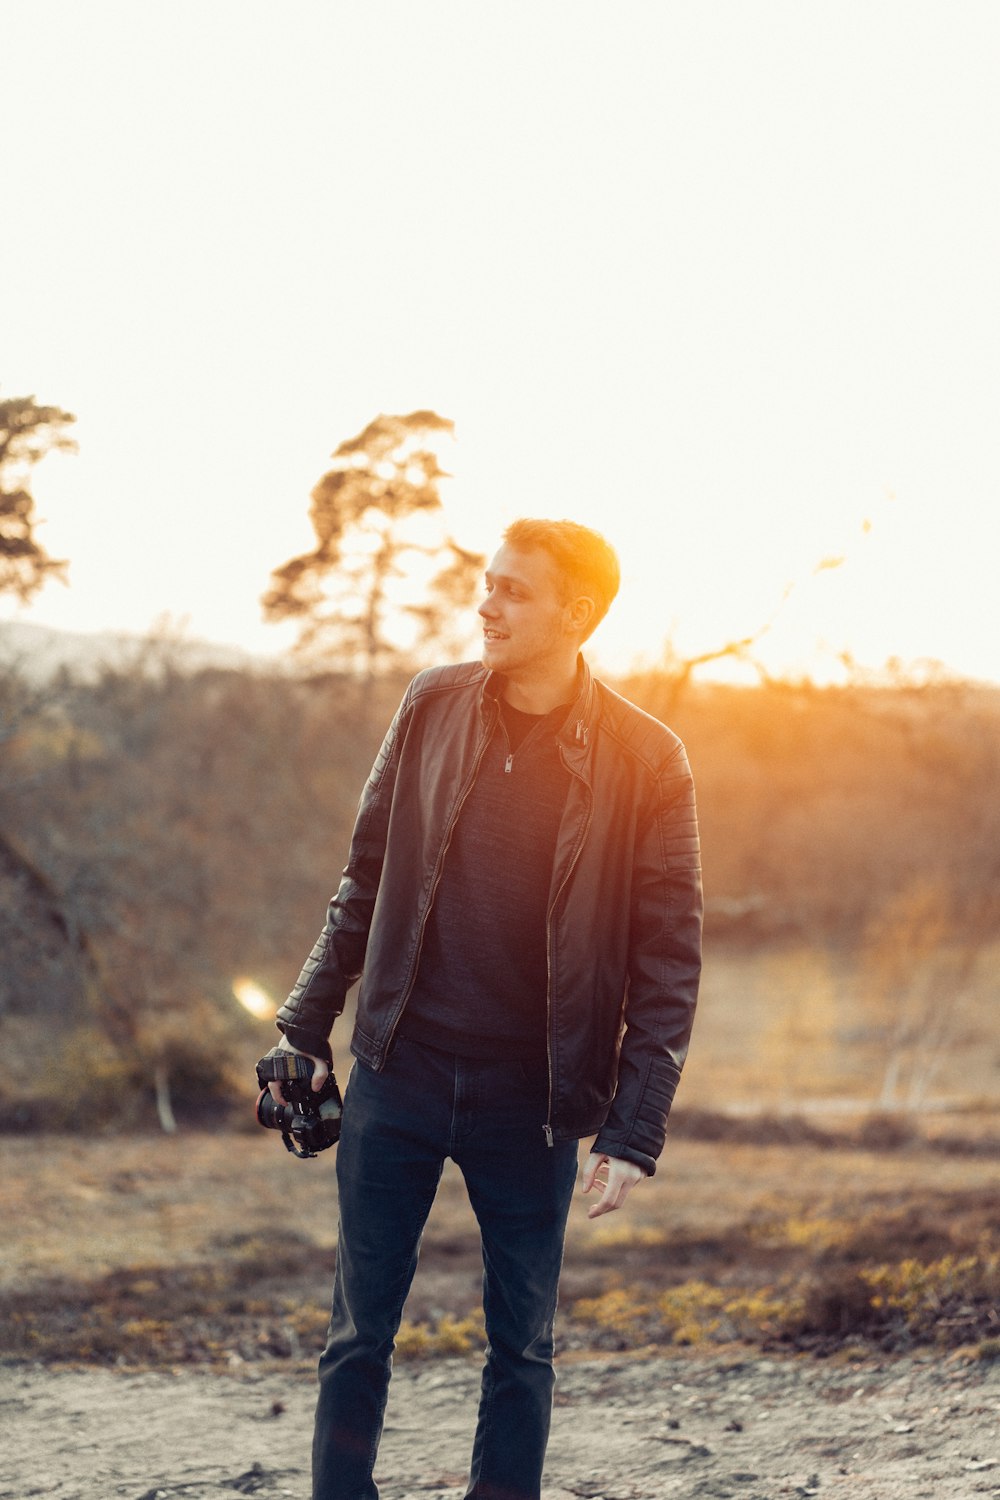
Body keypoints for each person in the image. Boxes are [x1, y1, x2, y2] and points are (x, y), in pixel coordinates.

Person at [270, 517, 703, 1500]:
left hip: (534, 1100)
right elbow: (365, 880)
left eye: (512, 591)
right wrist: (302, 1026)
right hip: (399, 1071)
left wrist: (633, 1129)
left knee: (523, 1348)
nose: (486, 604)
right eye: (486, 583)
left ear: (577, 613)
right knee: (356, 1336)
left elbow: (669, 961)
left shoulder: (649, 760)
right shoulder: (431, 703)